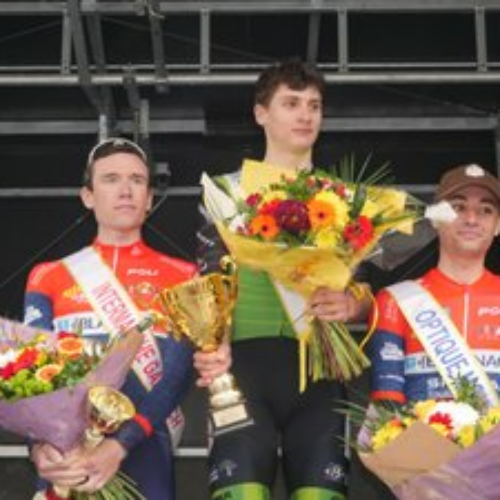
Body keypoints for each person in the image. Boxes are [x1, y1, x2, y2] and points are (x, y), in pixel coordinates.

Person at [195, 60, 371, 500]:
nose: (305, 115)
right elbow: (211, 279)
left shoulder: (343, 199)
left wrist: (351, 304)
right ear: (261, 113)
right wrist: (215, 344)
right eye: (291, 103)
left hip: (321, 372)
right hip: (242, 371)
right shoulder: (226, 192)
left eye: (314, 105)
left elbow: (364, 291)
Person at [24, 137, 229, 500]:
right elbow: (33, 373)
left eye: (137, 180)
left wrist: (120, 444)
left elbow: (177, 375)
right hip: (65, 454)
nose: (125, 190)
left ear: (149, 199)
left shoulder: (185, 276)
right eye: (111, 179)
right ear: (88, 196)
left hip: (145, 444)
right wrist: (39, 446)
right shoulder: (47, 275)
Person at [369, 163, 500, 407]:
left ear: (498, 225)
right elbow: (387, 406)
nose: (471, 219)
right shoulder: (395, 300)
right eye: (458, 207)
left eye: (486, 210)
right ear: (436, 218)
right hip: (421, 432)